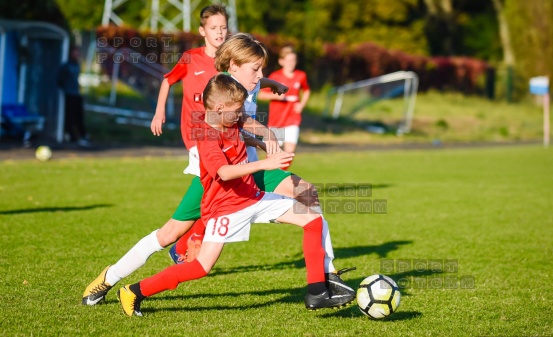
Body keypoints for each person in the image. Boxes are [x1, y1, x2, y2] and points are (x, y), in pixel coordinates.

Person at [82, 22, 353, 306]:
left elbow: (245, 113)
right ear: (233, 66)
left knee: (306, 193)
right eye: (256, 70)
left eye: (262, 70)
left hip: (248, 174)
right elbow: (224, 127)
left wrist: (267, 121)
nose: (260, 76)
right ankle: (109, 278)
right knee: (168, 234)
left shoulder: (244, 81)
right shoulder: (220, 89)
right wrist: (264, 137)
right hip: (215, 177)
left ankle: (326, 276)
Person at [117, 74, 354, 316]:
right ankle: (134, 291)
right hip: (225, 209)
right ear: (219, 108)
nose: (241, 114)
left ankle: (317, 291)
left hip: (252, 196)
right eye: (237, 109)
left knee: (313, 220)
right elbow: (224, 171)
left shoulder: (229, 120)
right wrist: (265, 164)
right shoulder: (206, 135)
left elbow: (244, 131)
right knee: (201, 267)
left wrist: (263, 142)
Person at [258, 46, 310, 165]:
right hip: (276, 122)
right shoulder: (275, 77)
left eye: (293, 60)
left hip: (292, 120)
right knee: (272, 155)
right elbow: (261, 95)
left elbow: (307, 90)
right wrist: (276, 96)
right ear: (281, 61)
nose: (291, 63)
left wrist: (301, 105)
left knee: (289, 153)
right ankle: (269, 179)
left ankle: (280, 178)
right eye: (288, 60)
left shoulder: (301, 75)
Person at [57, 46, 91, 148]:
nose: (77, 54)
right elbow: (59, 80)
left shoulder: (77, 65)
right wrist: (65, 88)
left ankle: (83, 135)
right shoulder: (66, 66)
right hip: (69, 94)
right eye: (75, 52)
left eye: (78, 52)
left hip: (76, 94)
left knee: (79, 115)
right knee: (70, 116)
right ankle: (71, 135)